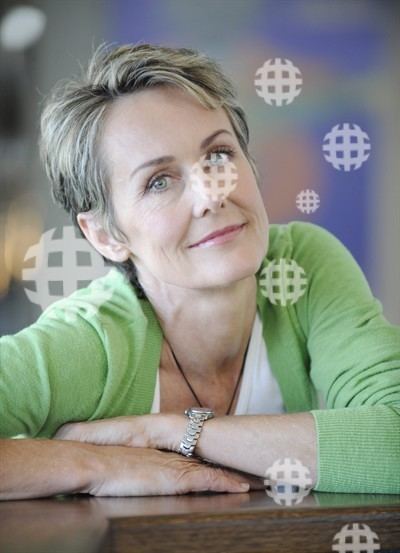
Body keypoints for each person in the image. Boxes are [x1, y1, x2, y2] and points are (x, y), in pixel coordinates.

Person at [0, 41, 399, 501]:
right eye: (159, 181)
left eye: (219, 155)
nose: (211, 195)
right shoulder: (89, 344)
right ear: (105, 235)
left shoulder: (300, 268)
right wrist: (95, 464)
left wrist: (172, 434)